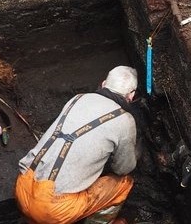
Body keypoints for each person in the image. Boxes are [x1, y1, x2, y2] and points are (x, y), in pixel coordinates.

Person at [15, 66, 140, 224]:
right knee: (124, 183)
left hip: (23, 187)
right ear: (132, 95)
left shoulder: (77, 99)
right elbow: (122, 168)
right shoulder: (125, 120)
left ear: (103, 84)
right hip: (53, 210)